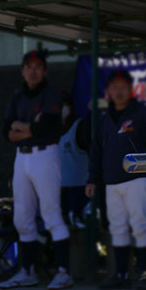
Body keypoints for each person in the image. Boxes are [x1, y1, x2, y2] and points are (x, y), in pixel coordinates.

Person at [86, 69, 146, 290]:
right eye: (114, 87)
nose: (118, 91)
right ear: (108, 91)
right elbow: (96, 151)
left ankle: (144, 273)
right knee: (117, 227)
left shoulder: (142, 114)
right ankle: (120, 274)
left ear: (131, 90)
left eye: (123, 87)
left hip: (137, 180)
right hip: (112, 182)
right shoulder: (105, 119)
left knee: (140, 225)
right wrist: (92, 179)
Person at [0, 50, 73, 290]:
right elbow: (6, 131)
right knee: (22, 216)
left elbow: (47, 127)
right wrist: (30, 127)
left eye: (38, 67)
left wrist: (22, 128)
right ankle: (27, 271)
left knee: (51, 213)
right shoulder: (16, 96)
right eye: (29, 67)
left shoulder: (51, 93)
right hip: (22, 157)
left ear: (45, 71)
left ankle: (64, 272)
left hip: (45, 155)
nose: (33, 71)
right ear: (22, 71)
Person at [59, 92, 90, 228]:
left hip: (80, 189)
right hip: (60, 189)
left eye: (64, 104)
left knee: (79, 225)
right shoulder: (51, 131)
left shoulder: (80, 127)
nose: (61, 109)